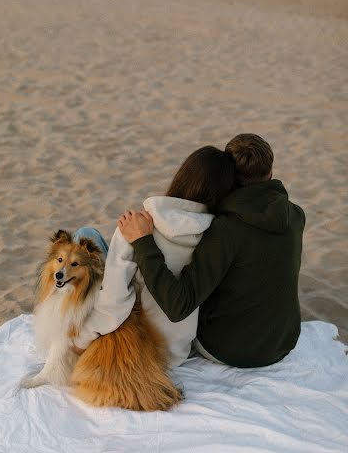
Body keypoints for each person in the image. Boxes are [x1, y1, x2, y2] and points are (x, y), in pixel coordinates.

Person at [119, 134, 305, 368]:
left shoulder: (226, 230)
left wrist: (143, 242)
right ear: (270, 171)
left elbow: (178, 307)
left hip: (229, 350)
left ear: (229, 176)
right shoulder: (296, 215)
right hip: (283, 342)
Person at [72, 146, 235, 367]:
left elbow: (114, 302)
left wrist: (80, 341)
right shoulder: (217, 237)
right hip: (177, 353)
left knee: (86, 235)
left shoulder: (138, 225)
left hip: (138, 346)